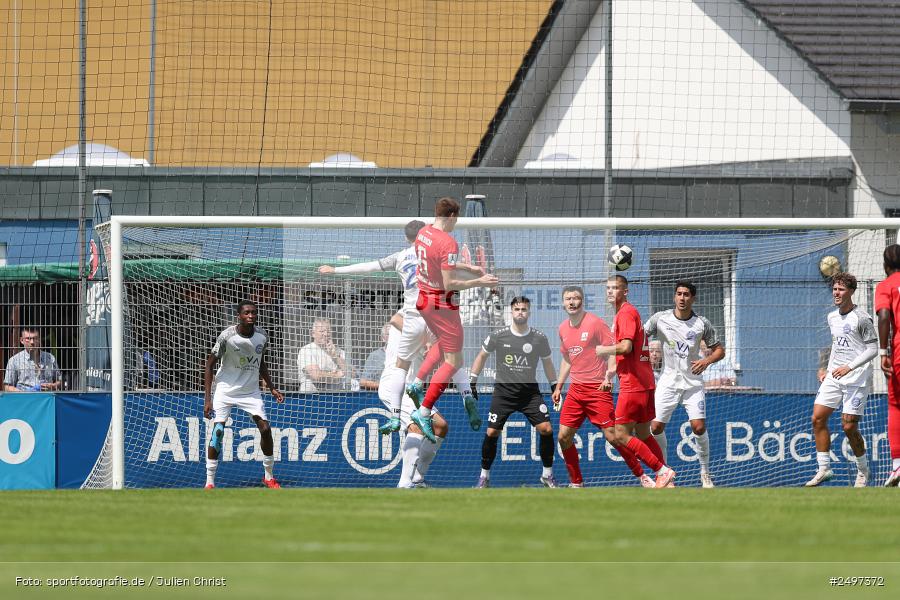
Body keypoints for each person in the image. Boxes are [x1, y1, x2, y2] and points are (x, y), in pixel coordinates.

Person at [319, 220, 461, 486]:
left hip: (409, 383)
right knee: (417, 425)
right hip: (395, 383)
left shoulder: (422, 288)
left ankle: (417, 477)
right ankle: (405, 483)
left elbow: (371, 265)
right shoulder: (413, 308)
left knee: (441, 427)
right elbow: (396, 318)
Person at [407, 197, 499, 442]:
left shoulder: (423, 232)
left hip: (424, 300)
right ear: (451, 216)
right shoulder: (448, 241)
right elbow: (450, 283)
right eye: (456, 219)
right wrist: (480, 281)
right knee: (455, 361)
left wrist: (470, 268)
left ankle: (417, 383)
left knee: (443, 344)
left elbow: (439, 262)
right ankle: (424, 411)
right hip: (442, 304)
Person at [551, 286, 651, 488]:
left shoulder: (596, 323)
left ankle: (642, 476)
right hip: (576, 390)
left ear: (582, 301)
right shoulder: (562, 328)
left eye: (576, 298)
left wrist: (609, 377)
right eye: (568, 299)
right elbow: (567, 359)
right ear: (563, 303)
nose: (572, 302)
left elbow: (612, 351)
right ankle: (576, 483)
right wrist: (558, 387)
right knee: (563, 436)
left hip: (598, 389)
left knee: (614, 437)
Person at [470, 296, 559, 488]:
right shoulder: (498, 335)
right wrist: (473, 380)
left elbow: (548, 364)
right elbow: (482, 355)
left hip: (530, 394)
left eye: (524, 309)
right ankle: (484, 477)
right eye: (517, 309)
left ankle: (547, 475)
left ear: (529, 312)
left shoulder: (539, 338)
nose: (520, 312)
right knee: (492, 432)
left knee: (547, 429)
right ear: (511, 312)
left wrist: (554, 386)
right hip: (503, 393)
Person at [597, 275, 676, 488]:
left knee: (620, 434)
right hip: (644, 381)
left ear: (625, 291)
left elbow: (626, 347)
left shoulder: (625, 313)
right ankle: (666, 479)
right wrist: (611, 372)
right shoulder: (627, 313)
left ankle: (662, 471)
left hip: (633, 384)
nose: (610, 292)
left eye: (615, 288)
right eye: (608, 288)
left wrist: (602, 349)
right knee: (642, 434)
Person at [644, 281, 725, 488]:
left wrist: (706, 361)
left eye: (686, 294)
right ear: (674, 297)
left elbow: (719, 350)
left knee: (698, 427)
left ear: (693, 298)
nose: (682, 298)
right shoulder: (660, 319)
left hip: (693, 383)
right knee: (655, 427)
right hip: (668, 381)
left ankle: (705, 473)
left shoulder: (701, 323)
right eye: (679, 294)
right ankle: (665, 473)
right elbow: (639, 336)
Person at [203, 301, 284, 489]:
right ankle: (210, 482)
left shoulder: (262, 336)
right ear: (238, 315)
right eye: (247, 313)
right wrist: (208, 399)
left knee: (265, 429)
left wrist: (271, 387)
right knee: (218, 432)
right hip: (225, 389)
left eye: (254, 313)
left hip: (250, 391)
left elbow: (260, 363)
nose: (251, 316)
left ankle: (269, 477)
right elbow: (209, 365)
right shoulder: (227, 336)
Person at [805, 273, 876, 488]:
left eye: (841, 289)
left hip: (856, 377)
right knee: (817, 418)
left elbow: (873, 348)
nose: (837, 293)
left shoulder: (862, 318)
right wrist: (826, 368)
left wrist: (849, 367)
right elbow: (837, 345)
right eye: (835, 289)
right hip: (835, 375)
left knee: (848, 427)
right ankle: (824, 469)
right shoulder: (832, 317)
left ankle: (862, 471)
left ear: (851, 292)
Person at [875, 244, 900, 487]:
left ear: (885, 266)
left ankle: (897, 466)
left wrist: (883, 352)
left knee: (896, 404)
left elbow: (884, 317)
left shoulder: (886, 285)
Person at [296, 317, 351, 393]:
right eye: (322, 331)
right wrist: (336, 375)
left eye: (328, 331)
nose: (325, 334)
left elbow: (352, 373)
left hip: (336, 399)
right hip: (311, 398)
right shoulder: (306, 350)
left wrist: (335, 356)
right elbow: (316, 376)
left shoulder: (338, 351)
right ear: (313, 334)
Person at [3, 327, 62, 392]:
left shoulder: (50, 358)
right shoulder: (14, 360)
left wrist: (52, 386)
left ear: (39, 340)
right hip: (25, 400)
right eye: (28, 339)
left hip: (46, 399)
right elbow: (7, 386)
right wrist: (21, 393)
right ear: (22, 340)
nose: (32, 342)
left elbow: (59, 380)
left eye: (35, 338)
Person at [359, 322, 392, 391]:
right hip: (379, 395)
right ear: (382, 338)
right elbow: (363, 382)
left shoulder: (404, 355)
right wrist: (383, 386)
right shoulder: (375, 356)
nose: (392, 336)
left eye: (395, 334)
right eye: (389, 334)